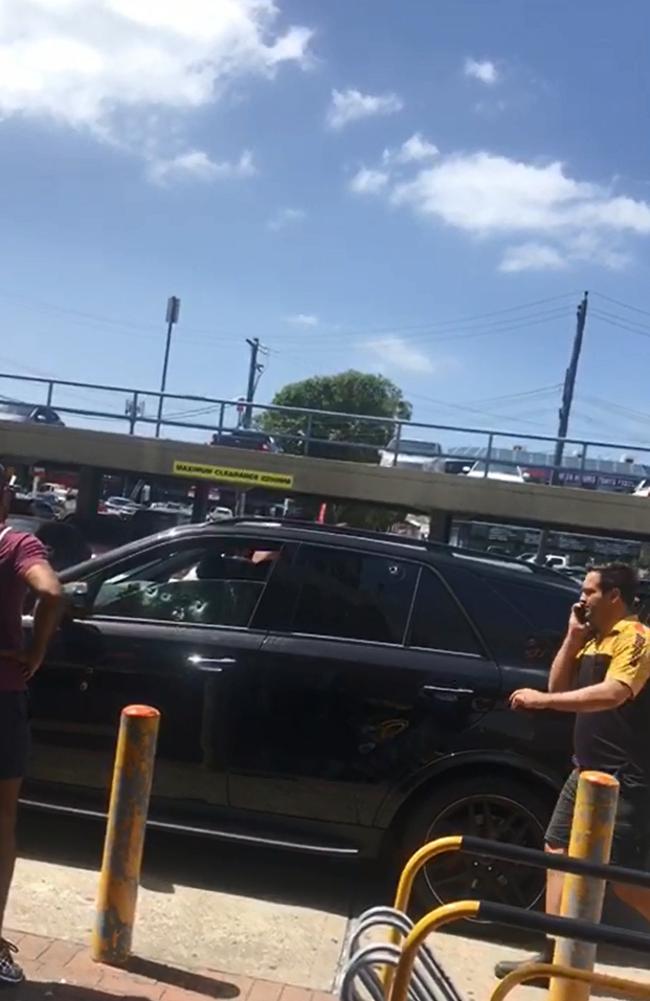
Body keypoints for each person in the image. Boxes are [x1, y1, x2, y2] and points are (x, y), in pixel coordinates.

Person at [495, 563, 650, 981]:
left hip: (626, 776)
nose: (581, 598)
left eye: (590, 591)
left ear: (615, 595)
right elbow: (559, 688)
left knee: (623, 879)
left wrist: (542, 704)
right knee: (557, 850)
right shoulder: (593, 639)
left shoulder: (636, 639)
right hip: (585, 770)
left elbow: (614, 693)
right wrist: (572, 636)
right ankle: (552, 956)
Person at [0, 464, 63, 984]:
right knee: (1, 822)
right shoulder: (16, 545)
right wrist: (36, 651)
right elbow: (51, 592)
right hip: (2, 696)